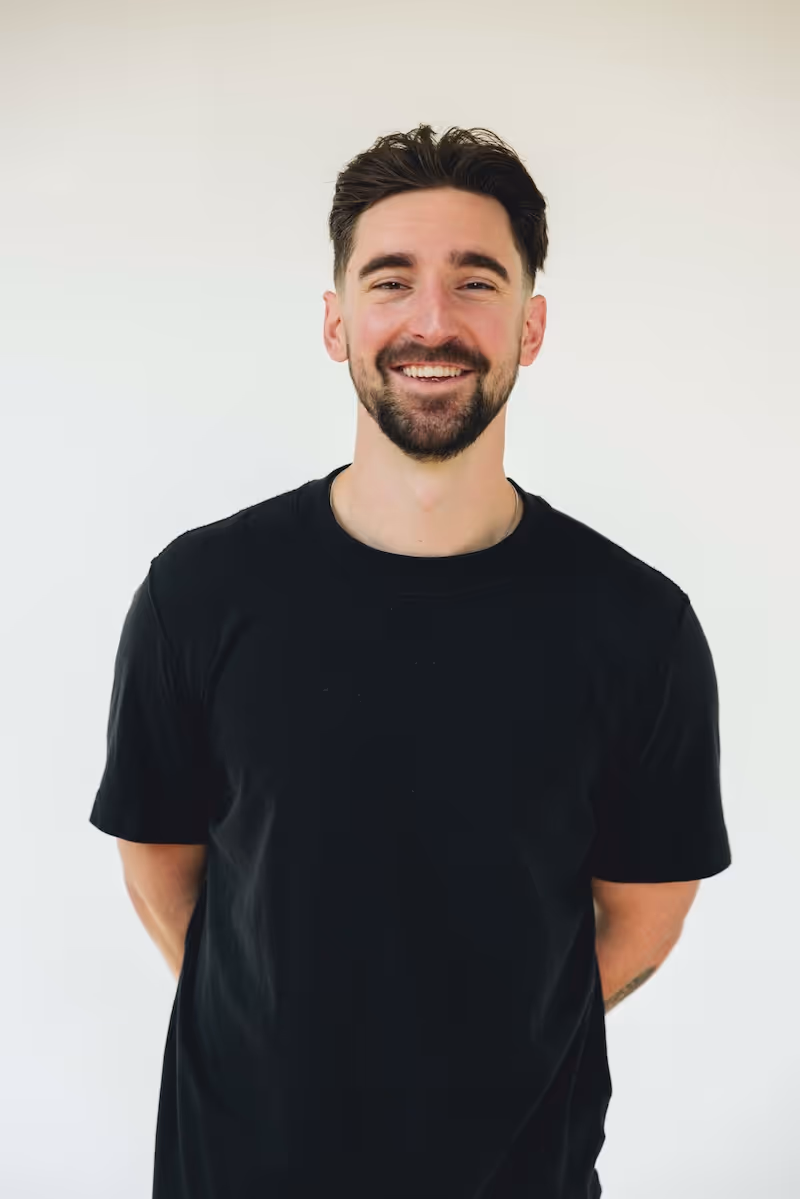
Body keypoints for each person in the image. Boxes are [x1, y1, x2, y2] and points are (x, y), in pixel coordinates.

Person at [90, 124, 732, 1199]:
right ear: (337, 321)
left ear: (529, 326)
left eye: (474, 281)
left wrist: (485, 1055)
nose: (431, 321)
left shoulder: (635, 626)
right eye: (390, 281)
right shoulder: (198, 594)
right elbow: (159, 860)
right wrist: (278, 1037)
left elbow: (645, 907)